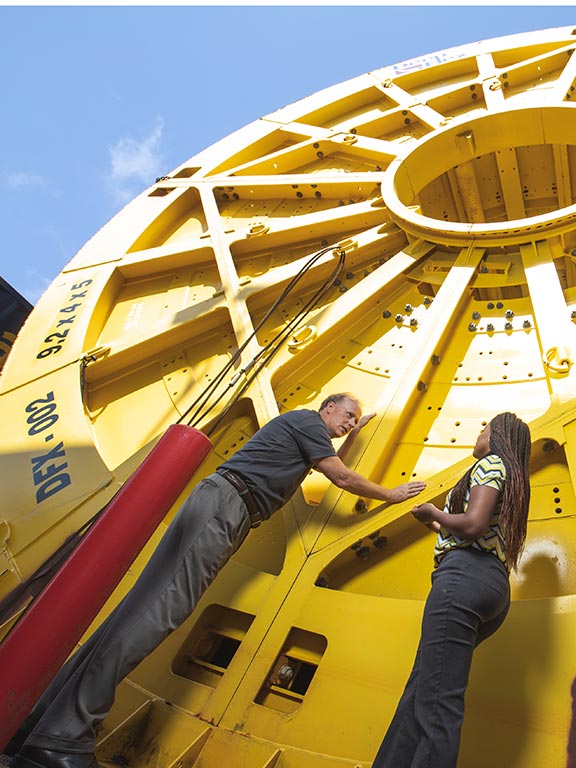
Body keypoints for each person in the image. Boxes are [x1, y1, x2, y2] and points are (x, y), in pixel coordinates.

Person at [8, 393, 425, 768]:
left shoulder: (304, 430)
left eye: (354, 420)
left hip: (218, 500)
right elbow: (342, 477)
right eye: (347, 415)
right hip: (226, 508)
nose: (350, 423)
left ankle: (41, 723)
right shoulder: (309, 424)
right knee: (158, 614)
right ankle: (61, 736)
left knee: (138, 610)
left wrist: (354, 433)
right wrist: (393, 494)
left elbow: (335, 461)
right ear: (327, 407)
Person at [371, 411, 531, 768]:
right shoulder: (514, 478)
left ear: (499, 435)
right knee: (421, 694)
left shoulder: (492, 464)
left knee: (437, 704)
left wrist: (435, 511)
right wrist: (438, 525)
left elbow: (472, 525)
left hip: (463, 580)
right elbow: (480, 531)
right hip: (490, 586)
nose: (480, 431)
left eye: (485, 426)